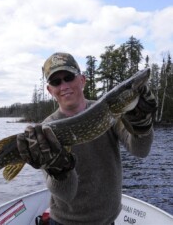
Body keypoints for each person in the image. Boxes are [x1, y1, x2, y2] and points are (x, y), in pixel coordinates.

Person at [17, 52, 157, 225]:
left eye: (69, 77)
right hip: (64, 222)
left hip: (107, 221)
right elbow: (67, 194)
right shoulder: (45, 131)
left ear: (82, 80)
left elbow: (141, 150)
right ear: (50, 90)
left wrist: (142, 123)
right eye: (56, 82)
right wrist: (59, 171)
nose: (64, 85)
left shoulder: (110, 112)